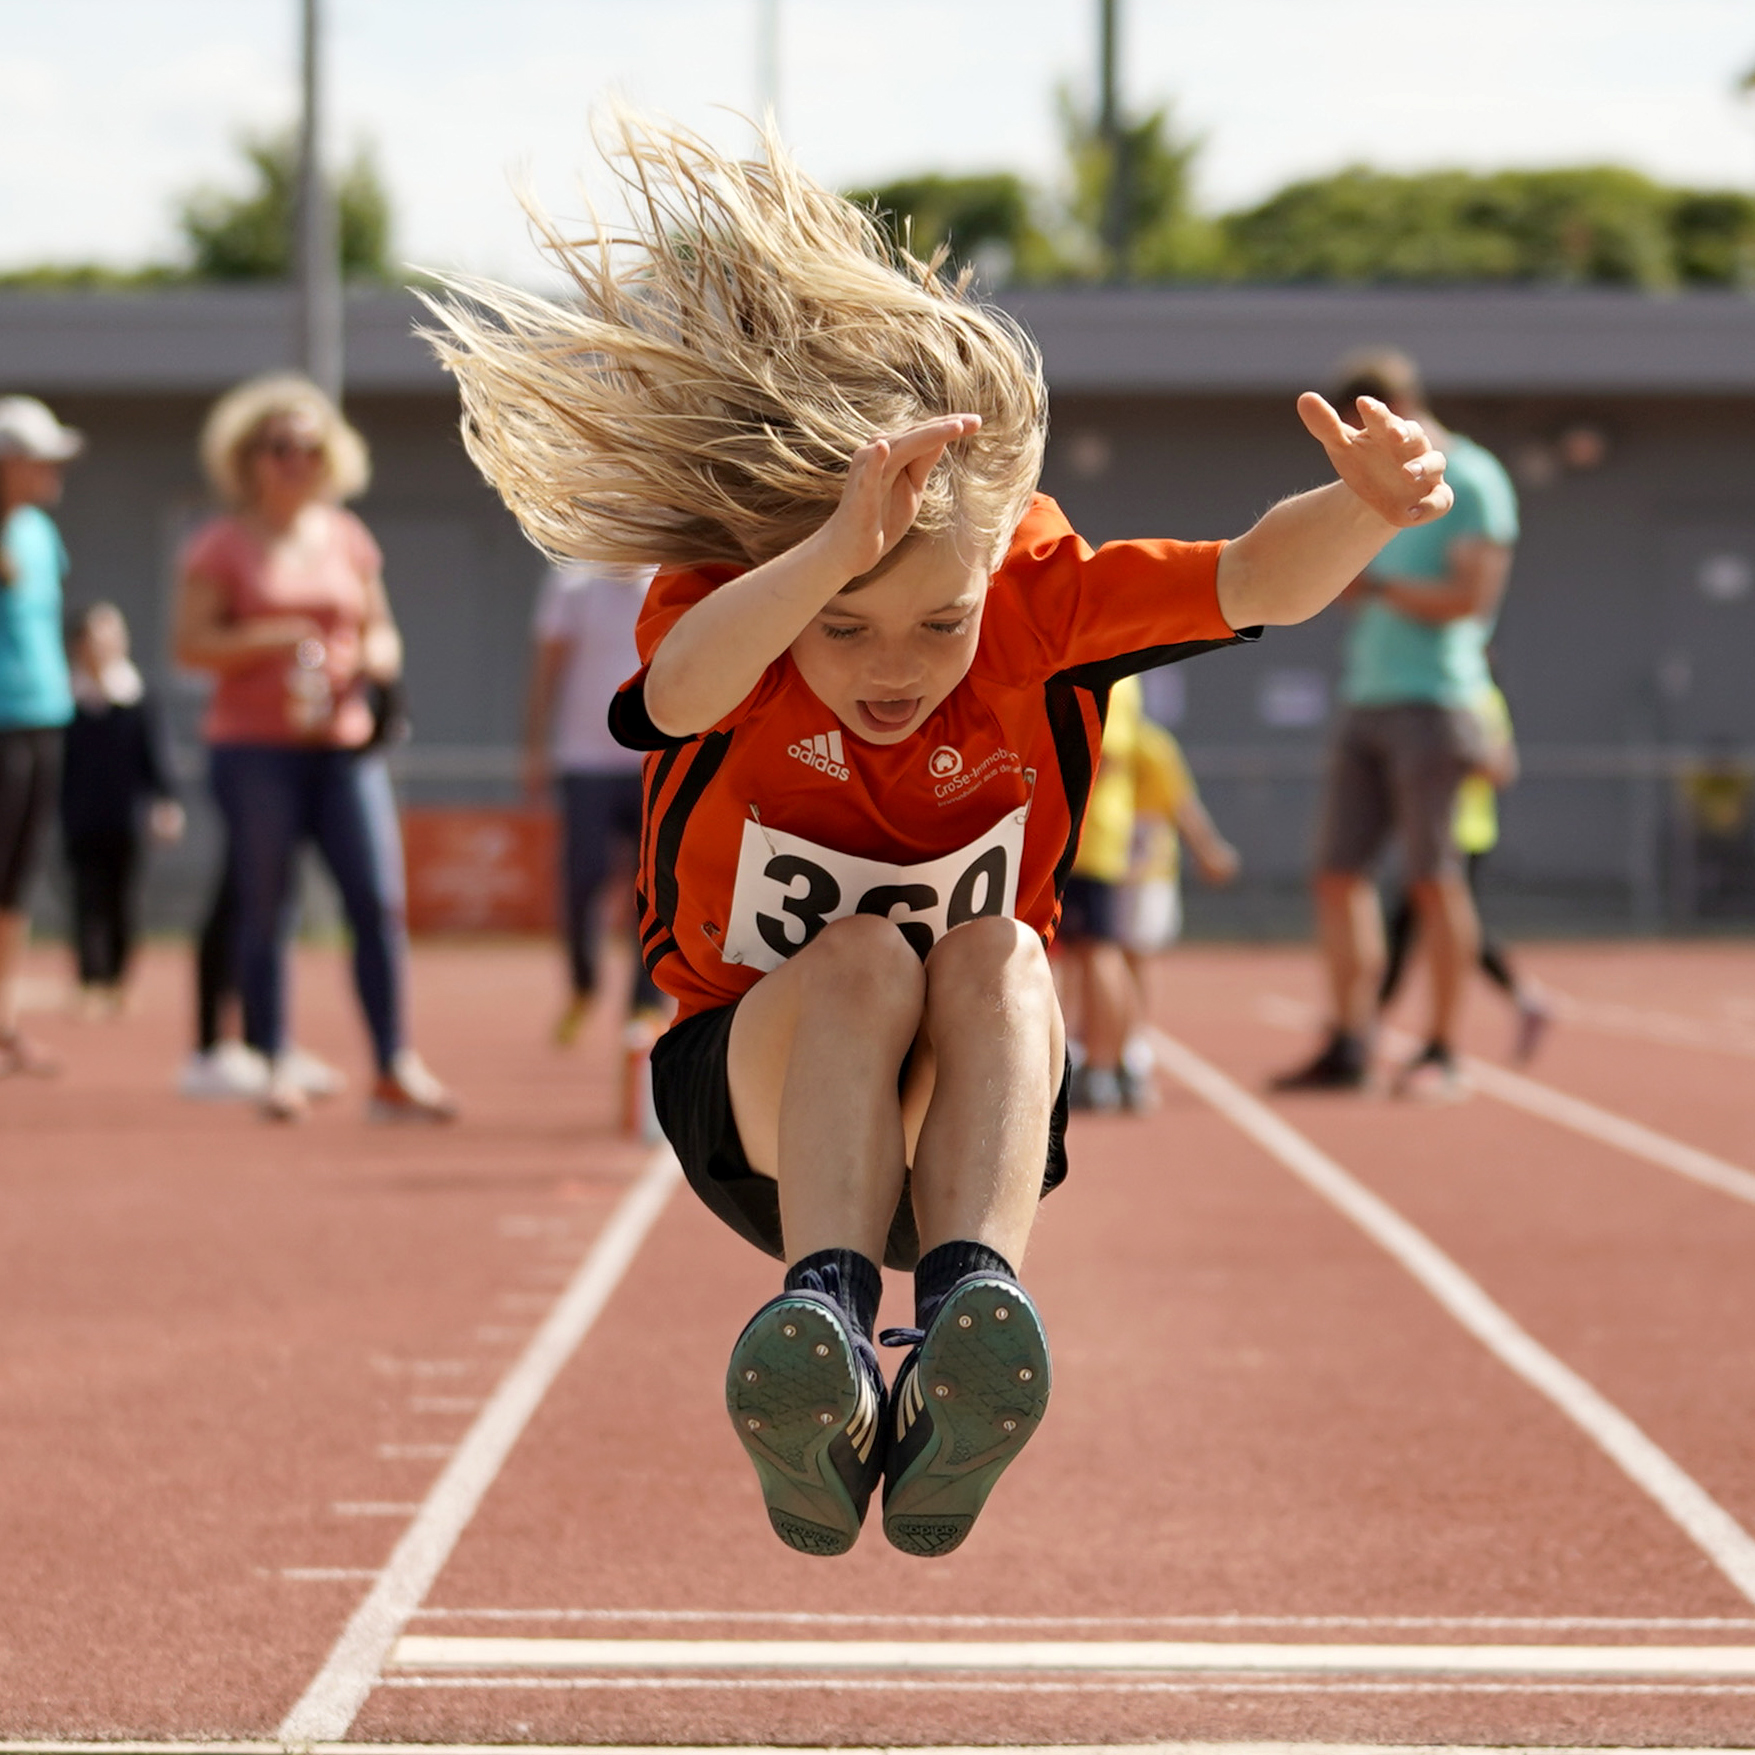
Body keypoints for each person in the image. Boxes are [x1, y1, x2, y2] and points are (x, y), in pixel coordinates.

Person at [423, 114, 1451, 1559]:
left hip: (970, 1103)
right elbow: (673, 697)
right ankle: (825, 1332)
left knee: (999, 958)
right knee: (855, 956)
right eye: (848, 626)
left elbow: (1249, 582)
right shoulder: (742, 604)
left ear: (992, 576)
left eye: (935, 623)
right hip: (764, 1101)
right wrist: (825, 560)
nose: (891, 665)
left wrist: (1358, 509)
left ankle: (973, 1315)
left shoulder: (1035, 600)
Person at [172, 373, 455, 1124]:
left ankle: (394, 1065)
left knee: (377, 900)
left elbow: (378, 625)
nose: (294, 459)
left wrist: (381, 661)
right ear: (248, 458)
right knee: (266, 905)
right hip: (253, 748)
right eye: (278, 447)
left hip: (344, 745)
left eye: (308, 446)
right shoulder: (221, 543)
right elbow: (190, 643)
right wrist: (273, 636)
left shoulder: (347, 536)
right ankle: (272, 1059)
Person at [1274, 348, 1517, 1102]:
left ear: (1389, 409)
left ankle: (1442, 1048)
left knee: (1432, 879)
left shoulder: (1472, 479)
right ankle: (1351, 1038)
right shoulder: (1373, 481)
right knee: (1335, 874)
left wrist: (1375, 582)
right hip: (1366, 694)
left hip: (1437, 700)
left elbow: (1468, 599)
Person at [523, 562, 667, 1046]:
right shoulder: (572, 585)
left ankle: (644, 1008)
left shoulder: (668, 583)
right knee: (583, 875)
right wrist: (536, 748)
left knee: (654, 889)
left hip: (653, 761)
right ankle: (584, 983)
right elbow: (547, 671)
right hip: (583, 762)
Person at [1378, 679, 1550, 1062]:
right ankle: (1525, 998)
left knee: (1415, 925)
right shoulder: (1428, 695)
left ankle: (1373, 1021)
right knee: (1431, 926)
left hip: (1463, 834)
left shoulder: (1481, 700)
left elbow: (1501, 767)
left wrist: (1448, 757)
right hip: (1436, 830)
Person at [0, 396, 84, 1077]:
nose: (54, 469)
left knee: (18, 880)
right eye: (40, 458)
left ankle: (5, 1022)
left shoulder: (41, 532)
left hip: (43, 716)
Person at [59, 603, 184, 1012]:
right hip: (79, 817)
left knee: (123, 900)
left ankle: (118, 979)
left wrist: (167, 802)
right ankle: (91, 980)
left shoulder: (137, 694)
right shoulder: (64, 699)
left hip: (127, 816)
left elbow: (157, 756)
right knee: (85, 898)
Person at [1114, 701, 1240, 1102]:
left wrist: (1208, 850)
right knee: (1098, 955)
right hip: (1101, 863)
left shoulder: (1151, 744)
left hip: (1145, 871)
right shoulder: (1101, 733)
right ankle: (1100, 1042)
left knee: (1136, 954)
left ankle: (1134, 1043)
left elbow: (1181, 804)